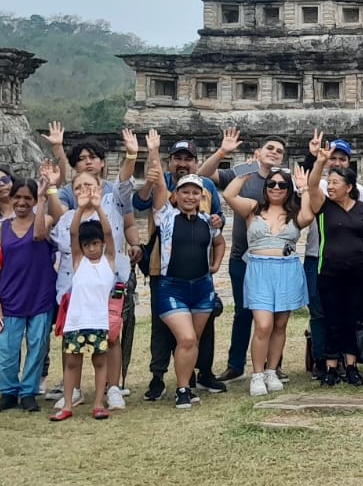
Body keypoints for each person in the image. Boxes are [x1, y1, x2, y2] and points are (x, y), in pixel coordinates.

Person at [44, 123, 142, 403]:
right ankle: (71, 389)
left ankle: (112, 387)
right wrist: (52, 181)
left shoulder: (112, 200)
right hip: (73, 280)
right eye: (79, 186)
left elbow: (125, 185)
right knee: (71, 333)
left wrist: (133, 155)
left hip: (110, 279)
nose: (85, 189)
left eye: (90, 185)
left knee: (111, 331)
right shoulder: (67, 211)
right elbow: (63, 227)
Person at [130, 136, 225, 400]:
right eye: (178, 159)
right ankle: (158, 377)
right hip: (165, 273)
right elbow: (142, 201)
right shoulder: (164, 198)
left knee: (198, 333)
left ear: (196, 163)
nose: (183, 164)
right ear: (170, 162)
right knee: (163, 331)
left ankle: (199, 374)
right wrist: (152, 153)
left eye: (188, 159)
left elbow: (219, 225)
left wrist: (216, 262)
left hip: (200, 278)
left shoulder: (206, 189)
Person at [199, 128, 290, 385]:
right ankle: (235, 365)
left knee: (273, 316)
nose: (274, 153)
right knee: (243, 313)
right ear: (258, 152)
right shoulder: (241, 174)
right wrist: (222, 152)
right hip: (242, 258)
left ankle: (274, 366)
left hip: (273, 261)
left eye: (279, 151)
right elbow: (204, 175)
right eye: (270, 148)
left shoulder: (282, 182)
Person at [222, 162, 313, 398]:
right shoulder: (253, 209)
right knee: (263, 325)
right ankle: (257, 374)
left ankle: (272, 370)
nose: (276, 187)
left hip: (286, 270)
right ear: (265, 187)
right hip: (259, 270)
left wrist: (304, 190)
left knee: (280, 325)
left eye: (282, 184)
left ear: (288, 189)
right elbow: (229, 194)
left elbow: (308, 216)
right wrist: (245, 173)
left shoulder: (293, 213)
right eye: (271, 183)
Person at [300, 136, 363, 379]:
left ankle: (351, 365)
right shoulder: (323, 205)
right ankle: (330, 367)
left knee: (353, 319)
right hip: (330, 272)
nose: (331, 186)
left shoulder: (362, 209)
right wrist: (319, 163)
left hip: (359, 273)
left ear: (349, 187)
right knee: (331, 318)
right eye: (330, 182)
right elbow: (312, 184)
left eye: (336, 182)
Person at [0, 170, 58, 413]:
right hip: (8, 297)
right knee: (5, 350)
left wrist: (43, 198)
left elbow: (39, 235)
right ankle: (8, 392)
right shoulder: (2, 228)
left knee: (37, 347)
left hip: (39, 295)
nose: (21, 203)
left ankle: (28, 392)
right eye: (17, 197)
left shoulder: (45, 220)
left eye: (28, 198)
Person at [52, 210, 117, 421]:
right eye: (87, 245)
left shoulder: (108, 262)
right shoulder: (79, 262)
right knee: (72, 363)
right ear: (81, 247)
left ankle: (98, 403)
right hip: (76, 323)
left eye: (96, 243)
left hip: (99, 322)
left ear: (102, 244)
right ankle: (68, 404)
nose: (92, 248)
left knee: (99, 363)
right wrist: (80, 209)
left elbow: (108, 232)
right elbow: (72, 234)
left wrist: (98, 208)